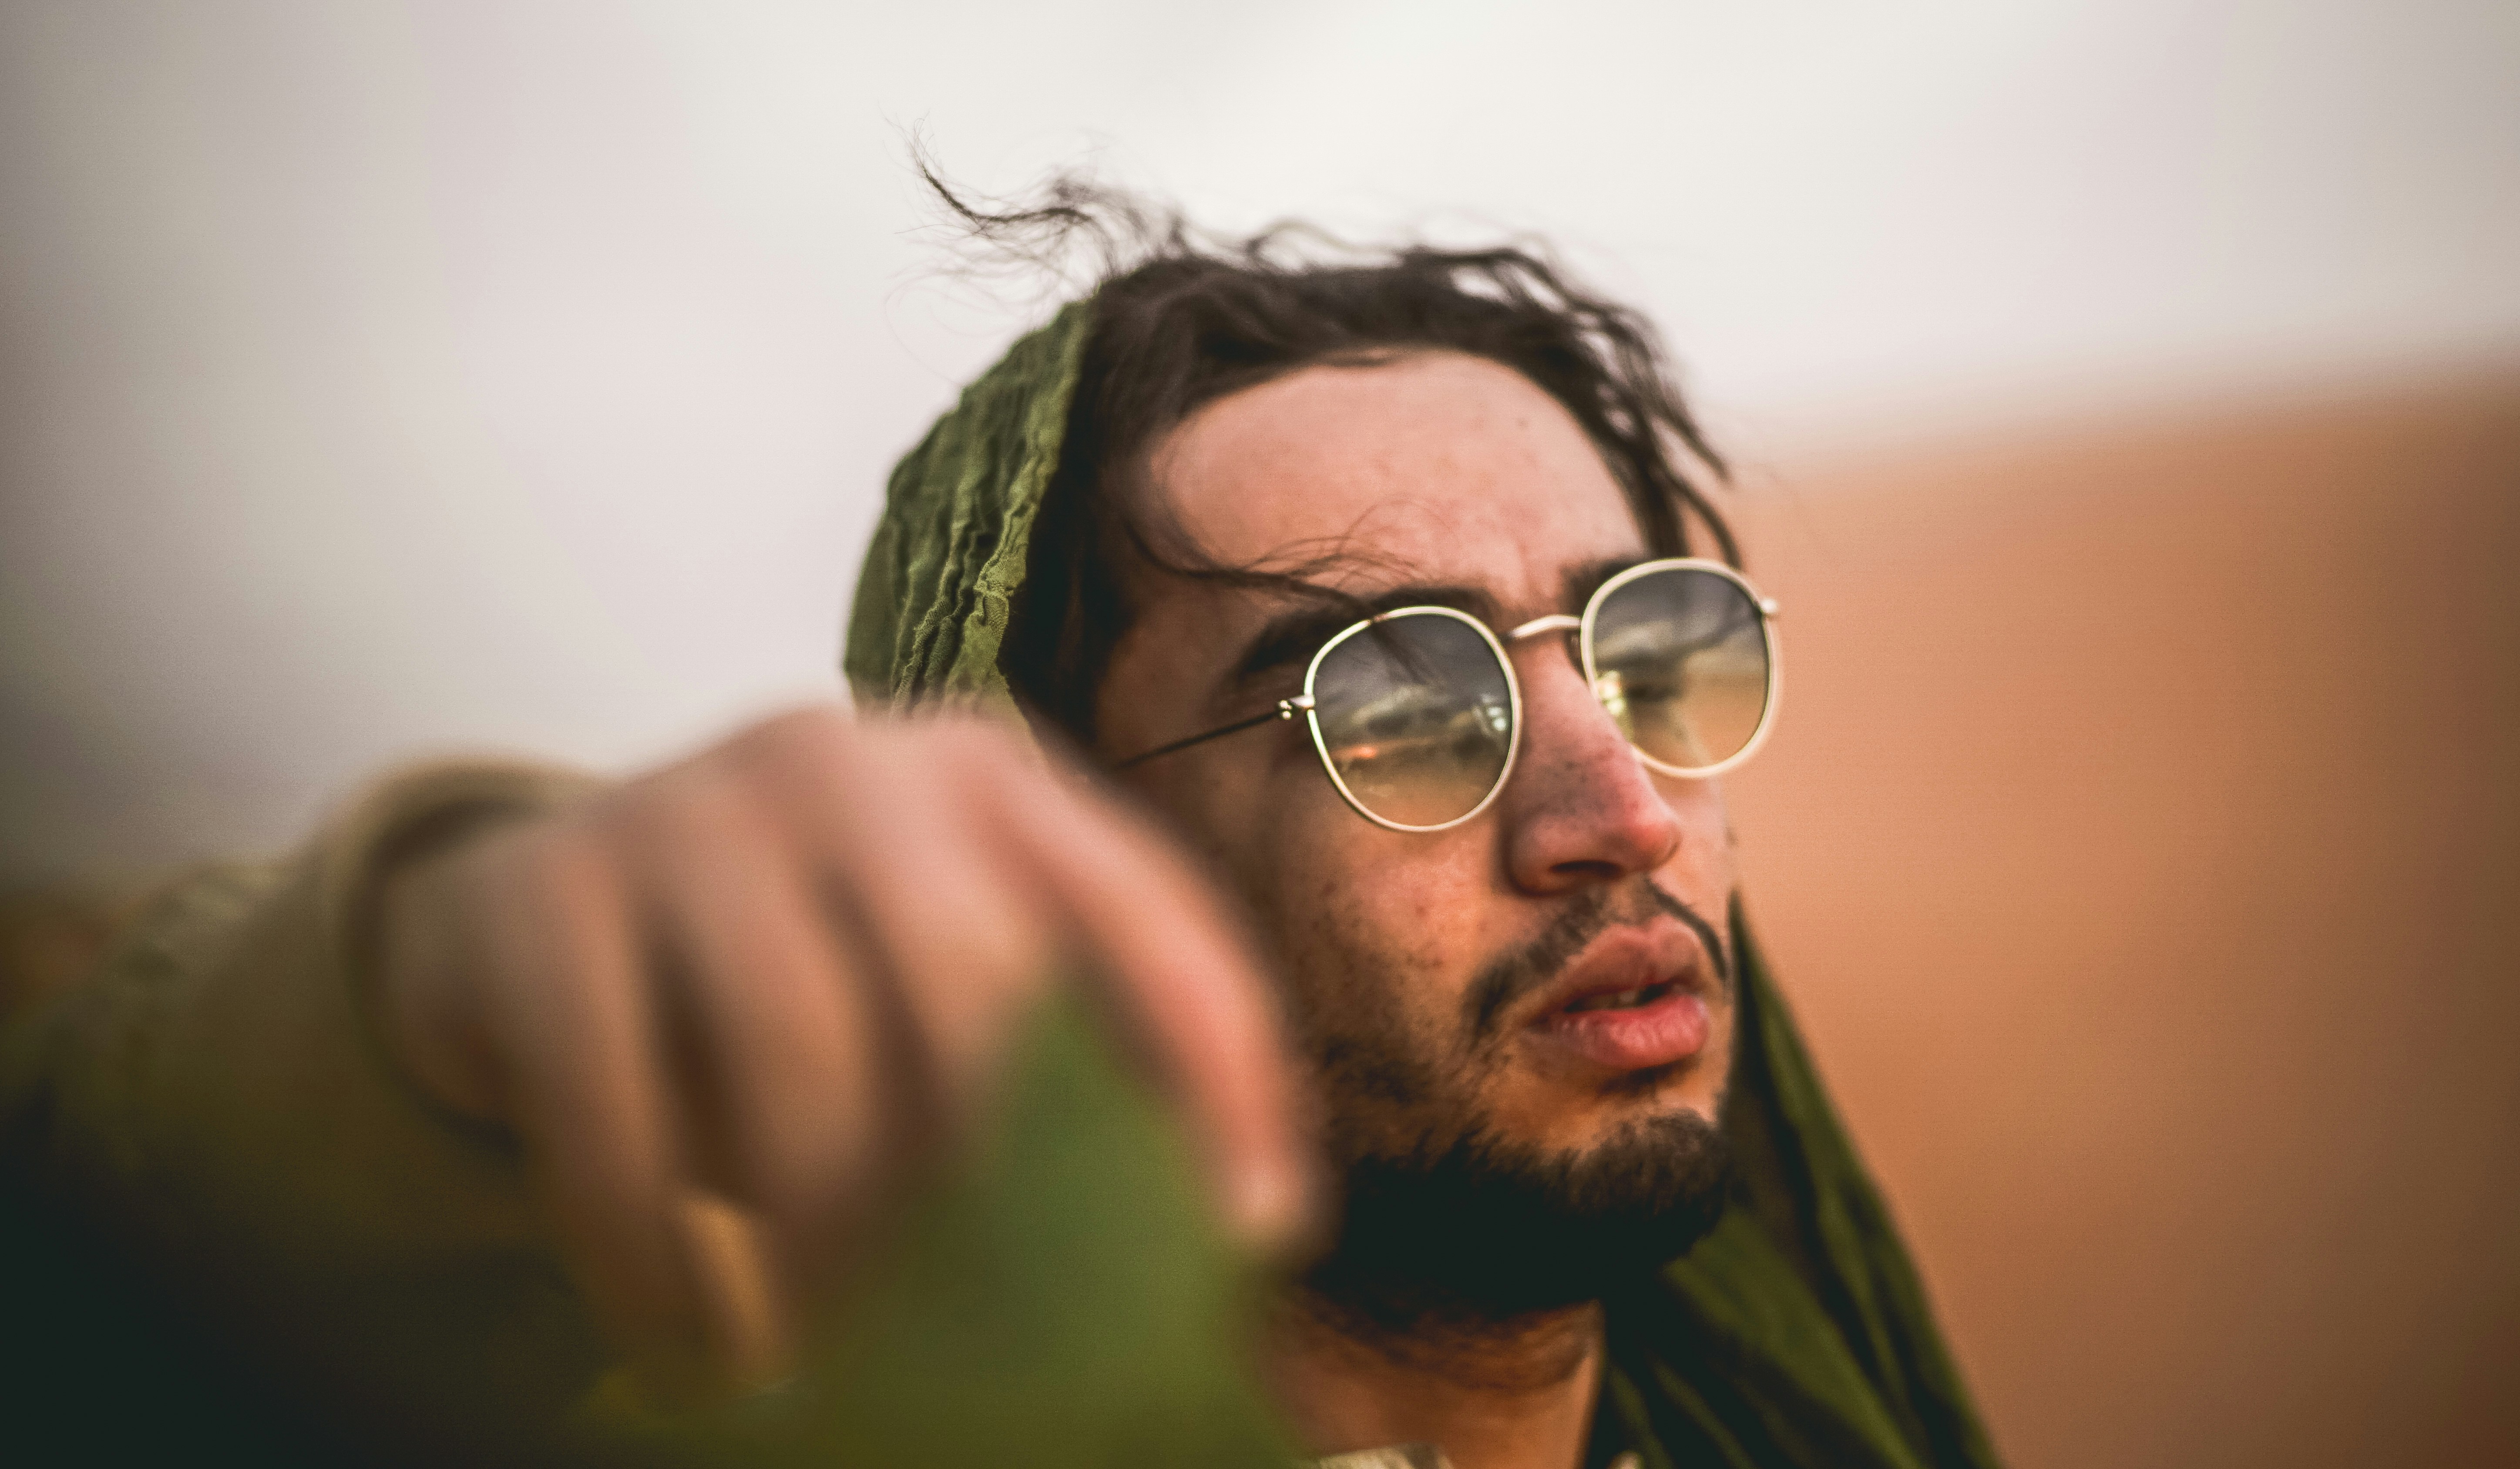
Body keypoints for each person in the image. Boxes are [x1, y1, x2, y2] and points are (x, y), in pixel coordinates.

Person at [0, 185, 1998, 1469]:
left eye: (1651, 650)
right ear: (1062, 860)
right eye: (1398, 700)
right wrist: (413, 988)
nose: (1621, 810)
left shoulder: (1792, 1420)